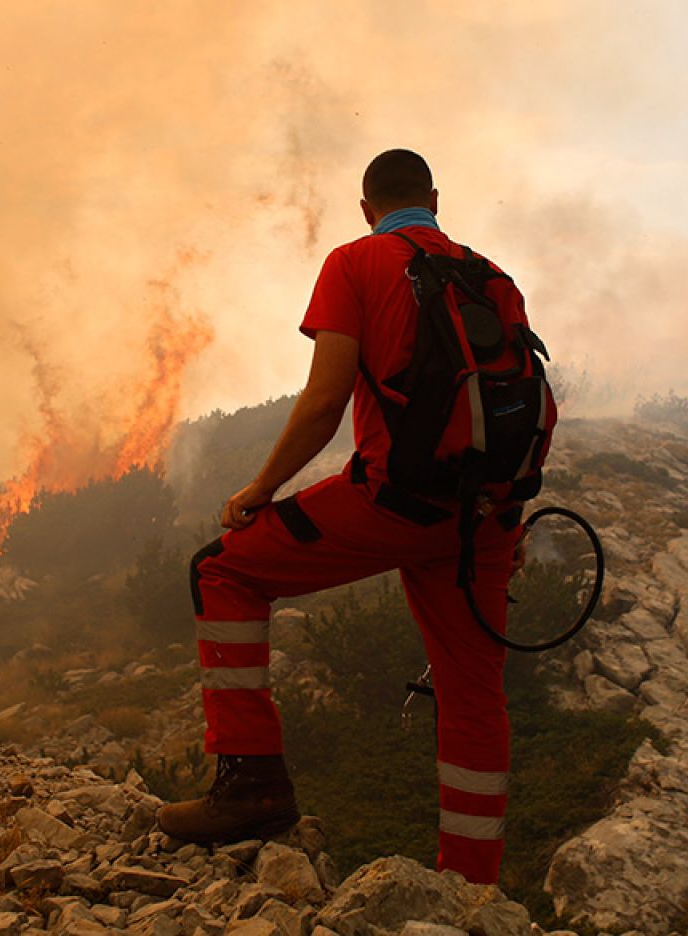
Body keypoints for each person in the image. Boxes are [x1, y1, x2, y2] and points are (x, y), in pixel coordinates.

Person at [156, 149, 524, 886]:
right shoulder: (493, 277)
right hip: (483, 517)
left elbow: (325, 401)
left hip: (392, 502)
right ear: (436, 201)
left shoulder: (356, 261)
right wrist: (500, 515)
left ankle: (252, 786)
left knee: (222, 569)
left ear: (366, 209)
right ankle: (473, 885)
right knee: (473, 692)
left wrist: (261, 488)